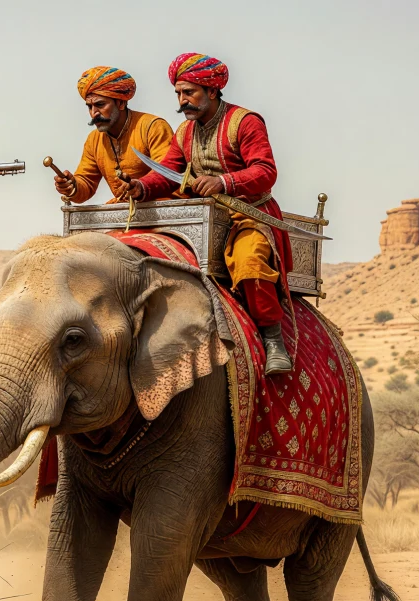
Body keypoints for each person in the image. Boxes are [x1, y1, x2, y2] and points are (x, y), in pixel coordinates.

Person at [122, 53, 295, 374]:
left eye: (189, 92)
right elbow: (168, 173)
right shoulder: (184, 132)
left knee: (250, 262)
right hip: (199, 219)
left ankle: (274, 340)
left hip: (248, 215)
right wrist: (142, 188)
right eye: (178, 94)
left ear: (213, 91)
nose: (182, 100)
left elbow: (265, 171)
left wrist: (223, 181)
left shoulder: (245, 122)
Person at [53, 67, 173, 203]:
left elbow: (166, 172)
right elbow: (86, 182)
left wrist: (140, 186)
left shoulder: (153, 127)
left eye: (100, 105)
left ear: (121, 103)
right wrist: (72, 186)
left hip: (166, 210)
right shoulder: (94, 140)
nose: (94, 113)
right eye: (89, 107)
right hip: (125, 213)